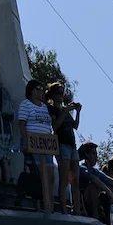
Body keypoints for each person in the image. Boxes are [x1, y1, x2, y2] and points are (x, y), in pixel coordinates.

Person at [17, 78, 55, 213]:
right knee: (39, 175)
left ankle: (49, 204)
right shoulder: (25, 105)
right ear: (31, 90)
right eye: (38, 89)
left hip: (46, 144)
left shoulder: (44, 107)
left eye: (42, 90)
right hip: (34, 143)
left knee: (50, 175)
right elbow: (22, 124)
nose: (41, 92)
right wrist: (26, 142)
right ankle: (40, 206)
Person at [47, 82, 83, 215]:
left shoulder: (64, 110)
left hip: (72, 146)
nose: (62, 96)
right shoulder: (52, 109)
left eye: (63, 93)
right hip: (62, 145)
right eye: (59, 93)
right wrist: (66, 111)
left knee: (76, 180)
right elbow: (55, 126)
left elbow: (75, 126)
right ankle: (63, 209)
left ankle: (77, 210)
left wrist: (77, 113)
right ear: (53, 94)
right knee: (64, 178)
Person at [78, 143, 113, 225]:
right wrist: (109, 192)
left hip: (97, 201)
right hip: (83, 201)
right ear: (86, 155)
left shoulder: (96, 171)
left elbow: (111, 181)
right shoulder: (81, 168)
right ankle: (95, 218)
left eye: (96, 154)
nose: (96, 157)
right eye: (93, 154)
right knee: (93, 186)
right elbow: (93, 178)